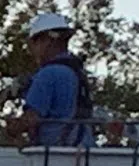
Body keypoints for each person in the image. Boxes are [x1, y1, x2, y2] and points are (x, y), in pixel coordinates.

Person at [6, 12, 95, 148]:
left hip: (56, 155)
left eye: (34, 44)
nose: (33, 51)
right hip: (84, 150)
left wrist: (12, 128)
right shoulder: (76, 72)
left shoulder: (48, 74)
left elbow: (31, 119)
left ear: (47, 41)